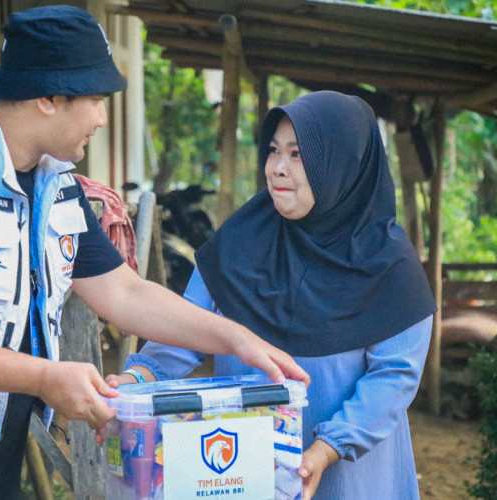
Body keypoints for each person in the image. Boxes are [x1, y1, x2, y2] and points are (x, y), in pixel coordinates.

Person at [0, 6, 307, 499]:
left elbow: (124, 292)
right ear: (50, 97)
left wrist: (235, 338)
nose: (102, 119)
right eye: (96, 100)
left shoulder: (55, 185)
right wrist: (46, 377)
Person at [112, 91, 437, 499]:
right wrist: (132, 381)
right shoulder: (240, 241)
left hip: (350, 474)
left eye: (298, 154)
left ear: (342, 166)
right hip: (243, 469)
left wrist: (327, 448)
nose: (278, 169)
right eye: (273, 151)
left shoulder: (390, 264)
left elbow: (394, 376)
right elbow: (184, 329)